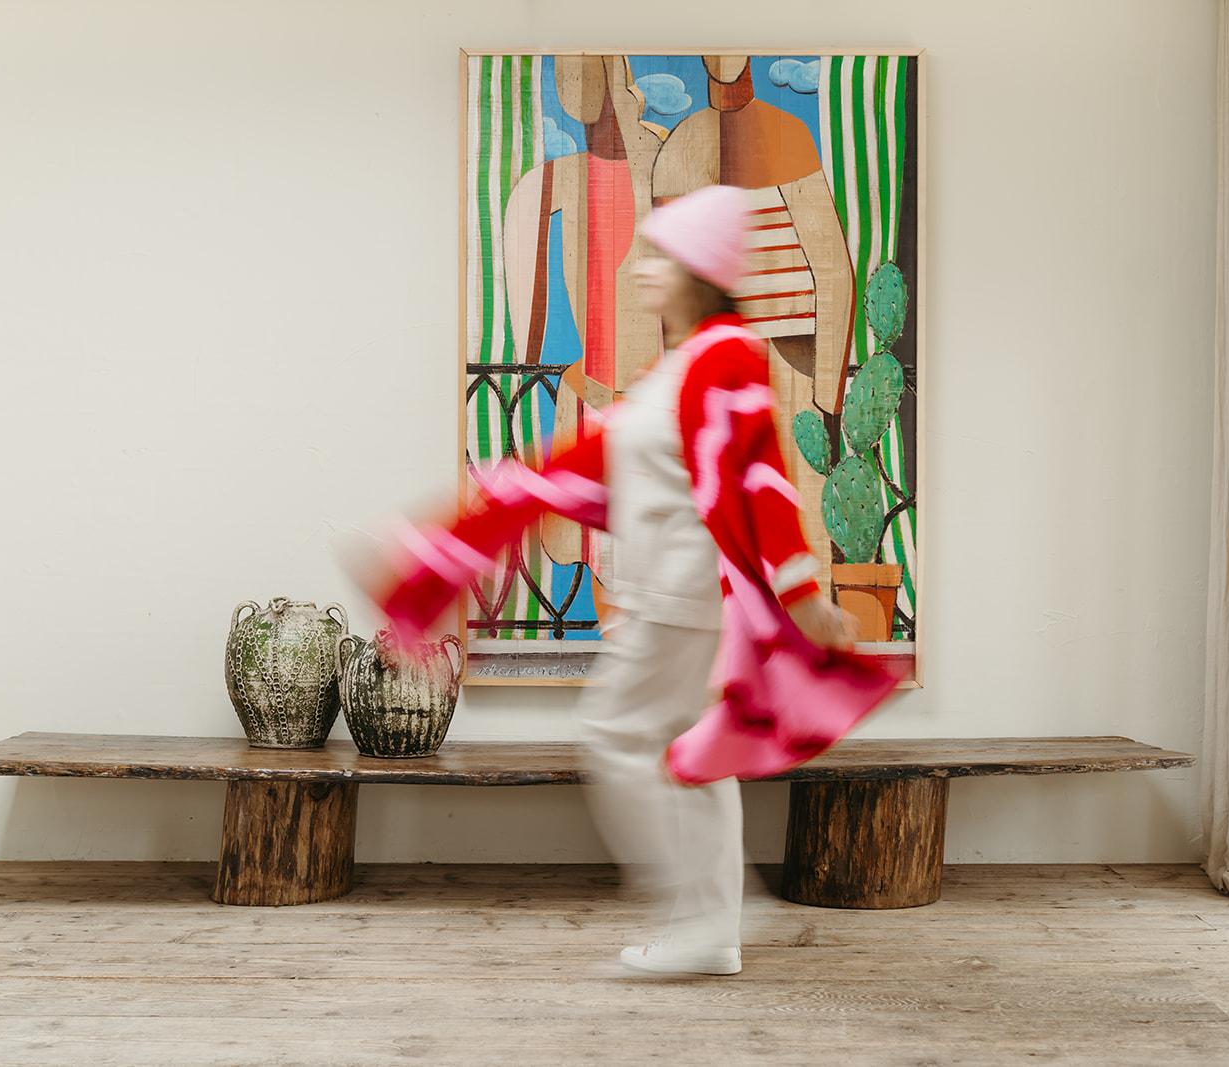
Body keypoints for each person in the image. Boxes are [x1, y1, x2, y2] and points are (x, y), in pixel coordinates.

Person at [365, 185, 900, 977]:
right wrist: (439, 552)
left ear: (699, 270)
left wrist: (800, 595)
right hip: (670, 597)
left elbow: (761, 479)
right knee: (687, 752)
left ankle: (696, 912)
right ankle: (712, 926)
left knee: (614, 736)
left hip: (679, 598)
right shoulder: (678, 369)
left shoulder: (725, 357)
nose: (644, 270)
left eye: (662, 256)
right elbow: (566, 470)